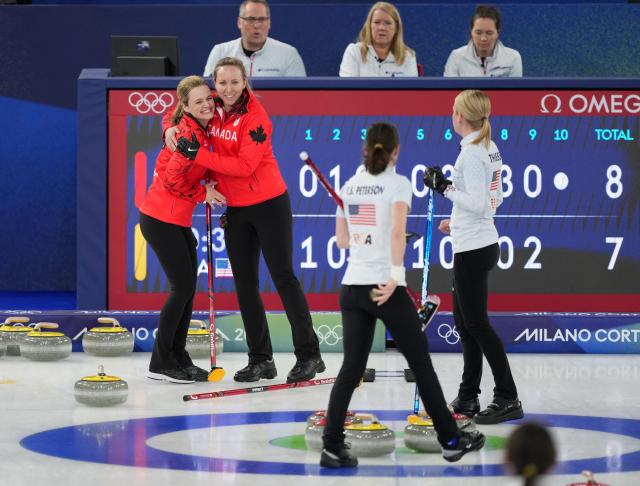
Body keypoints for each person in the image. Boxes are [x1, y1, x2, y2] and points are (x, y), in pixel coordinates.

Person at [319, 122, 485, 468]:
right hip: (385, 288)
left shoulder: (349, 185)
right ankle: (452, 440)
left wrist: (365, 238)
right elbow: (397, 234)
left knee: (351, 369)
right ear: (395, 151)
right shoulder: (397, 184)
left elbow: (342, 240)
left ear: (367, 149)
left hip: (352, 288)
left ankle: (332, 446)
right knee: (421, 366)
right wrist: (396, 274)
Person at [172, 57, 324, 384]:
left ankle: (310, 355)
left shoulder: (256, 118)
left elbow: (244, 167)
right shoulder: (212, 105)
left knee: (284, 278)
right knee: (244, 284)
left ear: (245, 82)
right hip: (236, 210)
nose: (227, 89)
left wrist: (196, 154)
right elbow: (180, 111)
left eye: (234, 82)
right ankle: (261, 360)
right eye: (222, 83)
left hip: (269, 204)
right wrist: (170, 128)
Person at [424, 89, 524, 424]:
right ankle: (468, 396)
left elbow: (481, 204)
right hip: (474, 242)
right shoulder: (487, 148)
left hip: (475, 249)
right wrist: (456, 222)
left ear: (461, 117)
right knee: (466, 326)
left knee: (476, 324)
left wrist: (445, 188)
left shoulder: (471, 155)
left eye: (453, 110)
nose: (451, 114)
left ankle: (507, 396)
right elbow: (492, 202)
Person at [139, 75, 226, 384]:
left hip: (177, 221)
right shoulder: (186, 137)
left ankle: (178, 355)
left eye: (208, 99)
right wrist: (204, 193)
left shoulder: (200, 127)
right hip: (160, 219)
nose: (206, 104)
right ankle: (161, 361)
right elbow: (172, 180)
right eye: (198, 101)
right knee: (182, 289)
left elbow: (173, 116)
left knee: (188, 290)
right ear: (186, 108)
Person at [203, 0, 306, 78]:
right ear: (239, 22)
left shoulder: (288, 54)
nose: (256, 25)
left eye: (261, 19)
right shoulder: (220, 52)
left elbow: (300, 97)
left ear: (269, 23)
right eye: (250, 19)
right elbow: (208, 93)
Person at [339, 2, 418, 77]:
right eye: (376, 22)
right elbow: (348, 90)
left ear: (396, 28)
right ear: (369, 26)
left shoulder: (408, 56)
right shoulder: (354, 52)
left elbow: (410, 91)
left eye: (388, 23)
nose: (382, 28)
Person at [443, 5, 522, 77]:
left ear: (498, 32)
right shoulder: (456, 57)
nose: (483, 38)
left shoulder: (513, 57)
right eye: (478, 32)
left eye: (489, 33)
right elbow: (449, 92)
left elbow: (515, 92)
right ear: (471, 31)